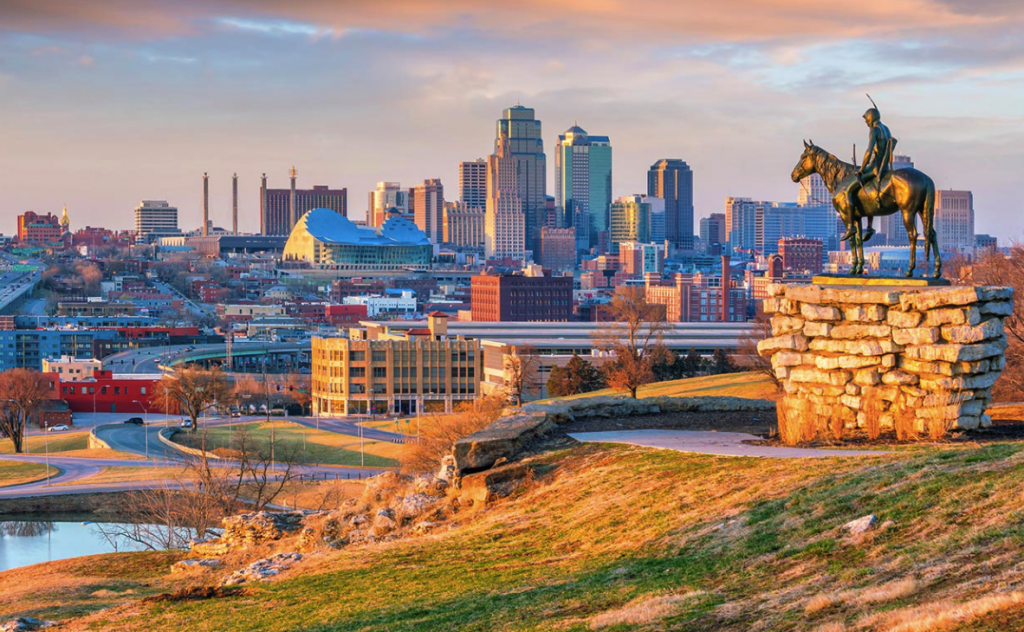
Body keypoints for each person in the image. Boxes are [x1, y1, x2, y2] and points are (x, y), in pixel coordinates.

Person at [840, 105, 894, 242]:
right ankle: (869, 227)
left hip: (875, 168)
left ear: (870, 118)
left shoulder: (874, 131)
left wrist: (862, 169)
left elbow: (869, 152)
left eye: (866, 121)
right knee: (867, 192)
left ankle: (851, 226)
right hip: (885, 168)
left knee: (848, 191)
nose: (866, 124)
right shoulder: (886, 129)